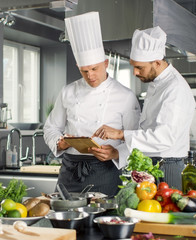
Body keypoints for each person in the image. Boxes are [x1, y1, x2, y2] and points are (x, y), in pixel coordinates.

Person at [43, 12, 140, 197]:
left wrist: (116, 153)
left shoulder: (125, 96)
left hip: (105, 171)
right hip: (70, 170)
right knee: (63, 221)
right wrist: (60, 143)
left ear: (106, 63)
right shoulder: (68, 91)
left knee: (101, 223)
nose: (90, 76)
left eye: (94, 69)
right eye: (84, 71)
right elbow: (51, 127)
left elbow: (135, 138)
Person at [90, 26, 196, 190]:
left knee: (166, 215)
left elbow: (164, 138)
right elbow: (146, 131)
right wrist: (119, 152)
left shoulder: (175, 88)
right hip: (151, 165)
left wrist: (120, 134)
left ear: (157, 63)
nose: (135, 73)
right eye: (133, 66)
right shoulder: (157, 84)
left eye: (140, 67)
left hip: (166, 168)